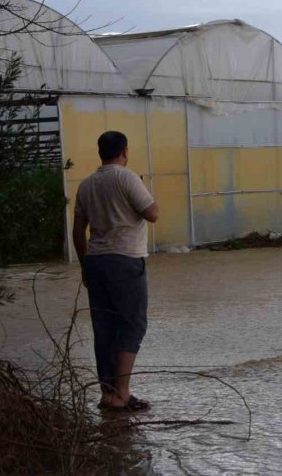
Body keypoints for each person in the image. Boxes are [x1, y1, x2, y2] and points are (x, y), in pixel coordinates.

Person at [72, 131, 159, 413]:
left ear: (100, 153)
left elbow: (77, 231)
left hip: (96, 261)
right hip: (125, 259)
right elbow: (152, 213)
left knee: (105, 328)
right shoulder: (127, 177)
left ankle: (108, 394)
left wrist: (85, 265)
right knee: (132, 324)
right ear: (125, 151)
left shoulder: (86, 185)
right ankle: (122, 393)